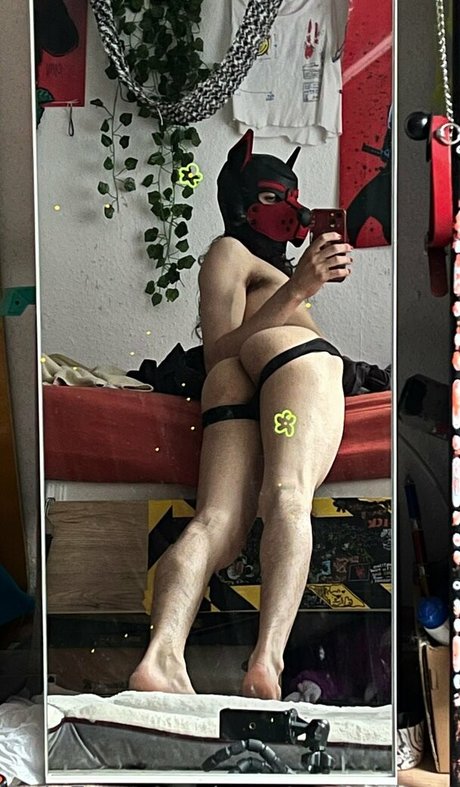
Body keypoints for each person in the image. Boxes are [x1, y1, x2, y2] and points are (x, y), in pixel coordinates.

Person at [129, 130, 353, 700]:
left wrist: (299, 282)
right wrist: (298, 288)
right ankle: (266, 663)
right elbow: (219, 350)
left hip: (247, 390)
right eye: (274, 196)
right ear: (241, 198)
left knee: (216, 522)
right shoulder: (230, 251)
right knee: (287, 496)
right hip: (282, 369)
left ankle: (162, 658)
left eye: (293, 196)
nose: (291, 208)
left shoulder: (255, 262)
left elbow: (225, 362)